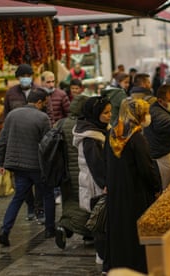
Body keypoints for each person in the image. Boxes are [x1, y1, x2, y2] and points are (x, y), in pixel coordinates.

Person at [104, 98, 162, 274]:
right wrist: (156, 187)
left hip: (116, 191)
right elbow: (146, 168)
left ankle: (118, 266)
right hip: (136, 192)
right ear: (137, 115)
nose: (147, 116)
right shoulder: (136, 138)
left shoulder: (113, 134)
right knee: (134, 232)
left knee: (119, 230)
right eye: (145, 113)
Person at [0, 88, 55, 246]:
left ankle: (5, 230)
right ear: (39, 102)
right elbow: (48, 144)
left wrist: (0, 163)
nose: (46, 106)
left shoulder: (12, 115)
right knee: (48, 194)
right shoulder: (42, 118)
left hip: (17, 165)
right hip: (36, 166)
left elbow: (2, 140)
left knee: (17, 198)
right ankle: (50, 228)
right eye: (45, 103)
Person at [72, 96, 111, 265]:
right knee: (101, 221)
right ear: (95, 114)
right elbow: (95, 163)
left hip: (98, 183)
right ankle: (102, 257)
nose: (109, 115)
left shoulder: (100, 129)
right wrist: (104, 183)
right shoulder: (91, 136)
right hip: (95, 185)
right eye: (106, 113)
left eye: (110, 111)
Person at [3, 63, 39, 221]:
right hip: (18, 139)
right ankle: (30, 205)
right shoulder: (11, 94)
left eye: (28, 75)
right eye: (22, 76)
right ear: (18, 78)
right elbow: (6, 115)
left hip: (36, 138)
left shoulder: (39, 92)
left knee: (39, 179)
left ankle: (39, 208)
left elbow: (48, 113)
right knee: (22, 180)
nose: (25, 79)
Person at [54, 95, 91, 250]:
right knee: (86, 204)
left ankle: (64, 226)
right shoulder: (86, 125)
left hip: (66, 173)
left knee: (69, 202)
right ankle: (88, 234)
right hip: (83, 171)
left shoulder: (61, 124)